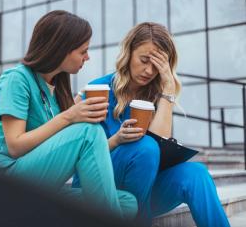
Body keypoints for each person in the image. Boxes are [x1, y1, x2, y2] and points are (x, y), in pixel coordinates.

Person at [0, 10, 137, 220]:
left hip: (39, 186)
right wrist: (69, 117)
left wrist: (116, 140)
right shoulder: (16, 79)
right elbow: (14, 146)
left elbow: (82, 150)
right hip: (3, 181)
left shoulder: (58, 89)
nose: (87, 57)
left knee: (127, 202)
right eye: (83, 51)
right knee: (89, 131)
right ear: (61, 49)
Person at [72, 22, 230, 227]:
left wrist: (168, 90)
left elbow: (158, 143)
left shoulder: (157, 95)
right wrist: (116, 140)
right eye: (144, 60)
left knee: (196, 174)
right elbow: (75, 154)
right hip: (96, 185)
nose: (149, 70)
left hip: (142, 190)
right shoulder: (96, 90)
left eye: (157, 65)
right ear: (128, 53)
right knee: (144, 147)